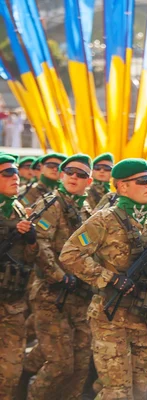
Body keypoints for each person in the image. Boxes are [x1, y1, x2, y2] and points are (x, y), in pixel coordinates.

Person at [59, 158, 147, 399]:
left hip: (144, 315)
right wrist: (108, 277)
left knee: (143, 390)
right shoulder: (105, 219)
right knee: (117, 392)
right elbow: (69, 254)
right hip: (111, 317)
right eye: (142, 181)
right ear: (122, 187)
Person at [25, 154, 94, 400]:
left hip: (80, 296)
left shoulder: (85, 208)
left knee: (80, 364)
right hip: (51, 294)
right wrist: (60, 276)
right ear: (63, 175)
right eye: (70, 172)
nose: (74, 177)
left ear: (89, 181)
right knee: (60, 364)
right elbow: (40, 244)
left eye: (81, 174)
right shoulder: (51, 203)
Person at [0, 155, 38, 399]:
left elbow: (29, 258)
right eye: (7, 174)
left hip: (12, 301)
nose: (15, 177)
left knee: (11, 370)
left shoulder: (18, 208)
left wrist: (31, 239)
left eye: (15, 172)